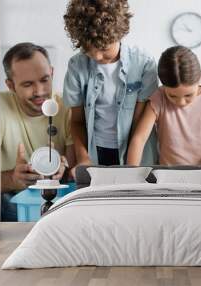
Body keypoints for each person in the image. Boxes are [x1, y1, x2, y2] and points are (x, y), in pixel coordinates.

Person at [63, 0, 158, 170]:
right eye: (89, 49)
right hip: (96, 151)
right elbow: (76, 121)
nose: (97, 56)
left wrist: (131, 168)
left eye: (104, 49)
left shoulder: (144, 63)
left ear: (119, 35)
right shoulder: (76, 66)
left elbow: (139, 123)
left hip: (136, 153)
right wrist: (83, 158)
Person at [0, 42, 76, 221]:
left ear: (52, 73)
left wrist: (62, 170)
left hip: (58, 199)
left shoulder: (67, 107)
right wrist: (13, 178)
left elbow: (73, 168)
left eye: (44, 80)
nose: (40, 91)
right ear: (10, 85)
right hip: (10, 199)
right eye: (27, 84)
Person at [127, 46, 201, 166]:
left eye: (188, 95)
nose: (181, 102)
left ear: (199, 79)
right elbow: (139, 139)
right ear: (163, 85)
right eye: (173, 96)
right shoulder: (159, 97)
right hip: (167, 175)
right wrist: (131, 173)